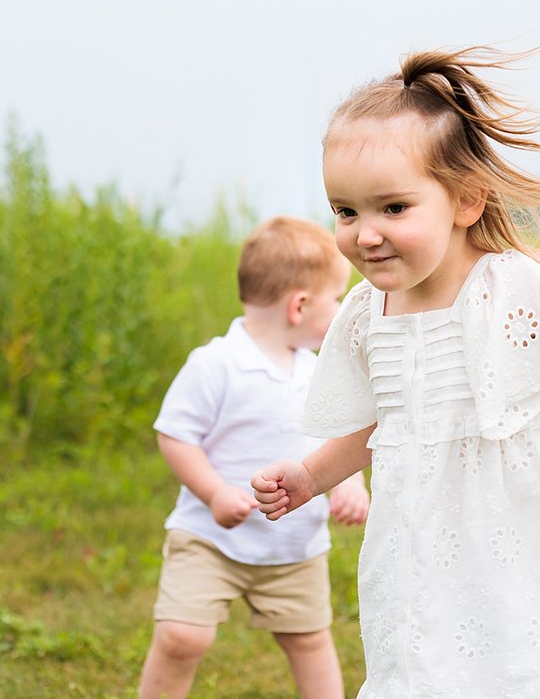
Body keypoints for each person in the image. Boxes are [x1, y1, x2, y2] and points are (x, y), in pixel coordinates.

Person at [252, 47, 540, 697]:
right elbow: (386, 419)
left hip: (520, 536)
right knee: (428, 662)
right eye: (346, 211)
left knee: (531, 666)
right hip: (417, 544)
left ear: (465, 202)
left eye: (393, 208)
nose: (365, 234)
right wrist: (309, 476)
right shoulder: (364, 312)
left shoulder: (520, 286)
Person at [137, 217, 369, 699]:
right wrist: (214, 492)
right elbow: (175, 435)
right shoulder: (216, 364)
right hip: (210, 538)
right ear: (299, 305)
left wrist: (349, 484)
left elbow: (341, 438)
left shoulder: (319, 372)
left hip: (293, 550)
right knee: (183, 637)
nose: (341, 310)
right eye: (336, 299)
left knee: (309, 641)